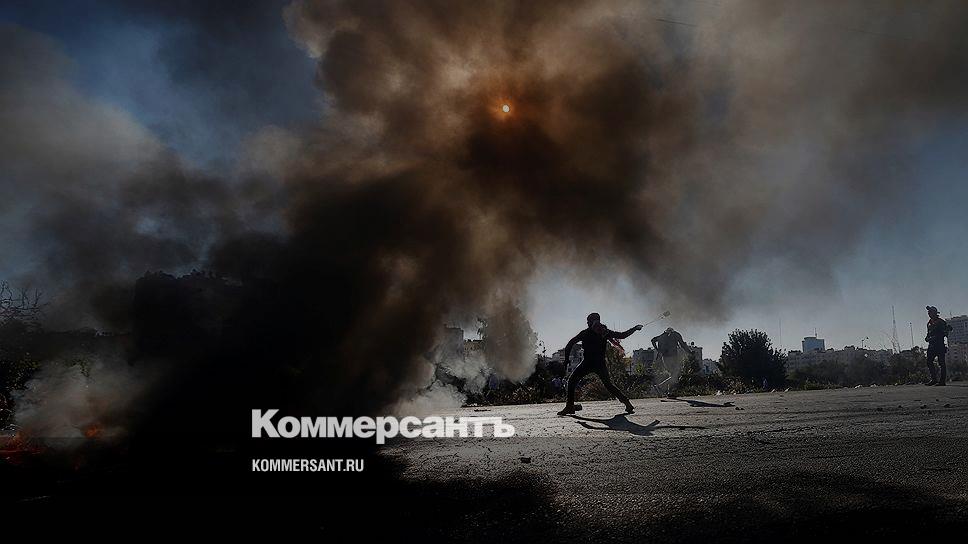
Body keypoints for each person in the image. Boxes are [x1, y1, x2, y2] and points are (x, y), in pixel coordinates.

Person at [558, 313, 642, 416]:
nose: (587, 323)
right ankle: (627, 403)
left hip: (588, 363)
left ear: (591, 322)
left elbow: (570, 343)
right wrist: (635, 328)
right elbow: (622, 335)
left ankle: (569, 406)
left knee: (572, 381)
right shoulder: (604, 332)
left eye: (588, 321)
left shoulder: (587, 333)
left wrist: (567, 359)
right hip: (599, 364)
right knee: (608, 385)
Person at [925, 305, 952, 386]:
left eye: (930, 312)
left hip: (939, 345)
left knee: (941, 363)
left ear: (935, 313)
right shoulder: (929, 323)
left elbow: (945, 333)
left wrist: (941, 333)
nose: (929, 314)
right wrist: (927, 338)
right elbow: (928, 334)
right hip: (931, 345)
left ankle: (942, 381)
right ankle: (934, 379)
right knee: (929, 361)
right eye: (928, 312)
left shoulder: (941, 322)